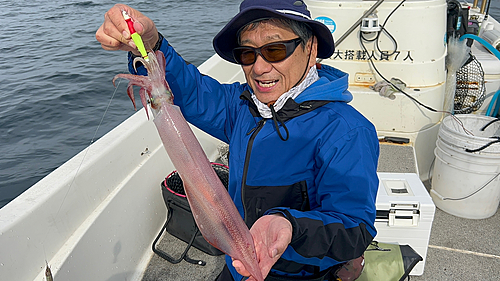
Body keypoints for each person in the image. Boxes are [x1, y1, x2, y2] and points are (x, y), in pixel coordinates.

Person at [96, 0, 379, 280]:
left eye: (275, 49)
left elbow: (354, 229)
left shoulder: (346, 131)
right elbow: (191, 92)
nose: (259, 68)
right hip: (236, 265)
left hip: (298, 275)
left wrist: (290, 226)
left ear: (311, 47)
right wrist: (151, 43)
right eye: (247, 53)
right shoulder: (243, 106)